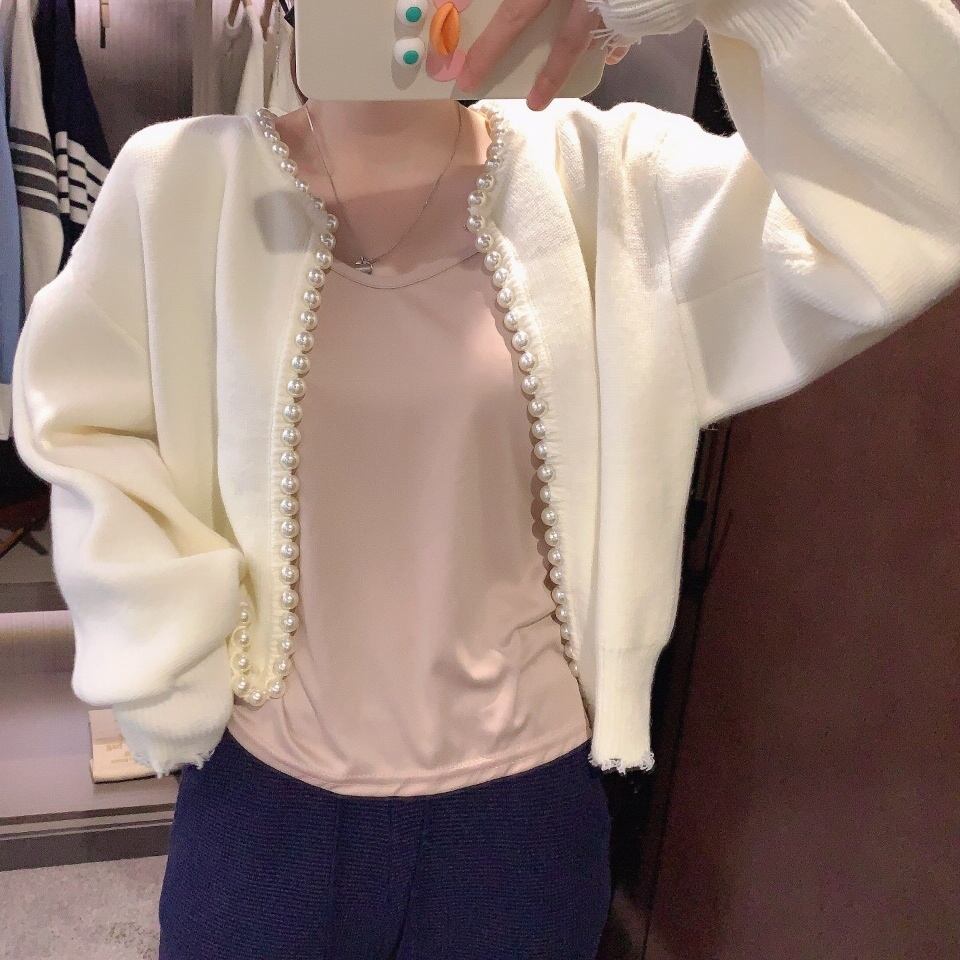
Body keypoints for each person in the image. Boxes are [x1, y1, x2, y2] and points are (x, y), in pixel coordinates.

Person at [10, 0, 960, 958]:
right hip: (264, 814)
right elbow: (82, 416)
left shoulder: (612, 184)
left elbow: (927, 191)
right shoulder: (179, 185)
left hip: (515, 827)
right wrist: (162, 639)